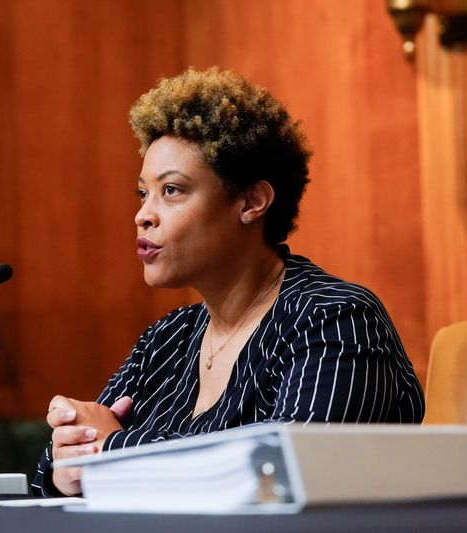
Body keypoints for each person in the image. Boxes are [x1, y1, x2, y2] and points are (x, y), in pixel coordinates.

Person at [32, 67, 424, 497]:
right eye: (143, 193)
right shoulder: (166, 340)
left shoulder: (334, 320)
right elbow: (71, 453)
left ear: (251, 202)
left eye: (173, 191)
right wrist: (66, 463)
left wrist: (115, 449)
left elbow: (283, 475)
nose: (143, 215)